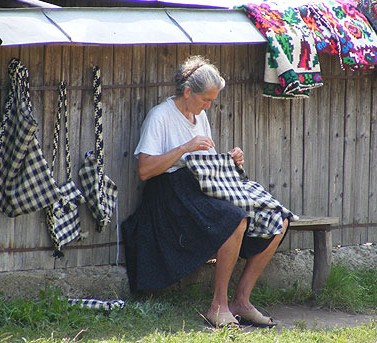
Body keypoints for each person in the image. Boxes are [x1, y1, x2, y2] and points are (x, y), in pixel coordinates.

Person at [121, 55, 289, 328]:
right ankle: (218, 306)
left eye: (212, 100)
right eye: (205, 100)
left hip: (198, 187)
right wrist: (185, 148)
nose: (208, 105)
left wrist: (230, 159)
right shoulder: (160, 116)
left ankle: (241, 301)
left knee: (277, 217)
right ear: (187, 92)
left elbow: (205, 162)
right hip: (168, 194)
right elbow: (145, 170)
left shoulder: (200, 115)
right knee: (234, 218)